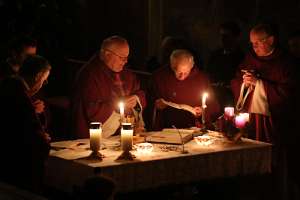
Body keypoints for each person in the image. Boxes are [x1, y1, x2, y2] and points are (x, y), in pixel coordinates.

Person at [231, 23, 296, 200]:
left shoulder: (286, 63)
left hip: (274, 124)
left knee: (274, 162)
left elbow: (288, 93)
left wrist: (259, 84)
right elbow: (236, 81)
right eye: (252, 43)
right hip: (252, 121)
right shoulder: (249, 59)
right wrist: (245, 83)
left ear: (271, 40)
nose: (254, 47)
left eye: (258, 43)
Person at [71, 35, 146, 139]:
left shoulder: (127, 74)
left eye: (127, 57)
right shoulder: (89, 75)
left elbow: (139, 93)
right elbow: (89, 109)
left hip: (125, 135)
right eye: (122, 58)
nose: (125, 62)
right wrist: (115, 105)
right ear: (107, 54)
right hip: (98, 137)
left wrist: (135, 99)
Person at [0, 55, 51, 193]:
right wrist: (43, 139)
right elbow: (25, 129)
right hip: (16, 163)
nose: (42, 85)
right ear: (38, 76)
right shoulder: (17, 90)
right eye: (44, 80)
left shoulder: (11, 85)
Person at [150, 49, 220, 130]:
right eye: (178, 72)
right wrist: (156, 105)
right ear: (172, 66)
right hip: (167, 128)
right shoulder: (159, 77)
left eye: (186, 73)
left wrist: (202, 111)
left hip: (193, 128)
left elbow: (214, 105)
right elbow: (148, 103)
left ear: (192, 66)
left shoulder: (202, 79)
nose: (182, 76)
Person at [206, 21, 244, 109]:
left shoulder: (242, 58)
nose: (222, 39)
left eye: (226, 36)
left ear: (235, 37)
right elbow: (208, 74)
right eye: (221, 35)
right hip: (214, 99)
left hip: (233, 101)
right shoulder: (214, 56)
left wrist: (227, 84)